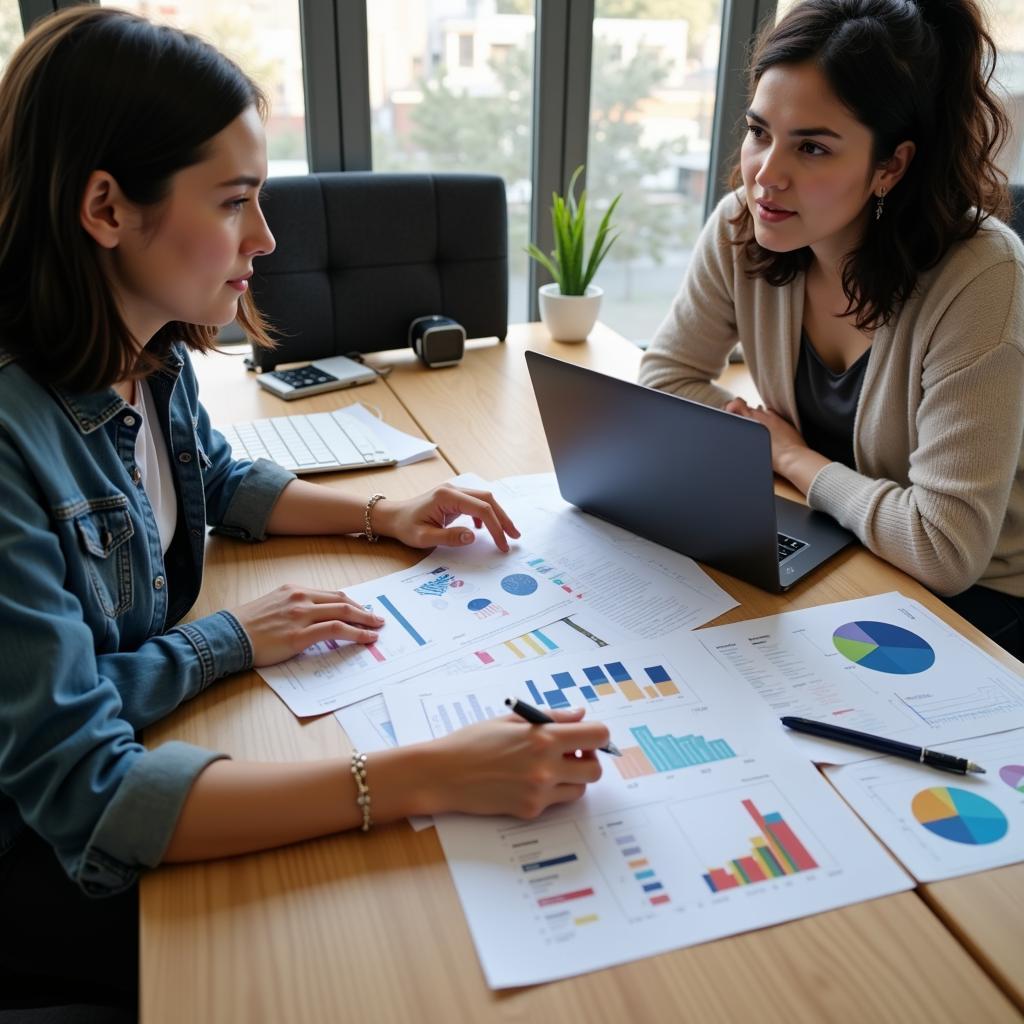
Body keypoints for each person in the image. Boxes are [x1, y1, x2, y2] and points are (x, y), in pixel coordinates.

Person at [0, 8, 608, 1014]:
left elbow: (219, 480)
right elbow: (90, 793)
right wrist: (424, 775)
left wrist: (382, 513)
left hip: (107, 783)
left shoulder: (147, 353)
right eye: (235, 201)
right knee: (370, 961)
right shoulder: (14, 439)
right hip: (39, 866)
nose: (267, 238)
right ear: (105, 207)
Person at [640, 0, 1024, 657]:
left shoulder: (981, 277)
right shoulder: (744, 224)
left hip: (979, 602)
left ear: (889, 167)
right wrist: (783, 455)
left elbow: (945, 547)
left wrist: (790, 456)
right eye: (760, 132)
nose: (766, 174)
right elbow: (666, 378)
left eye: (812, 147)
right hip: (839, 540)